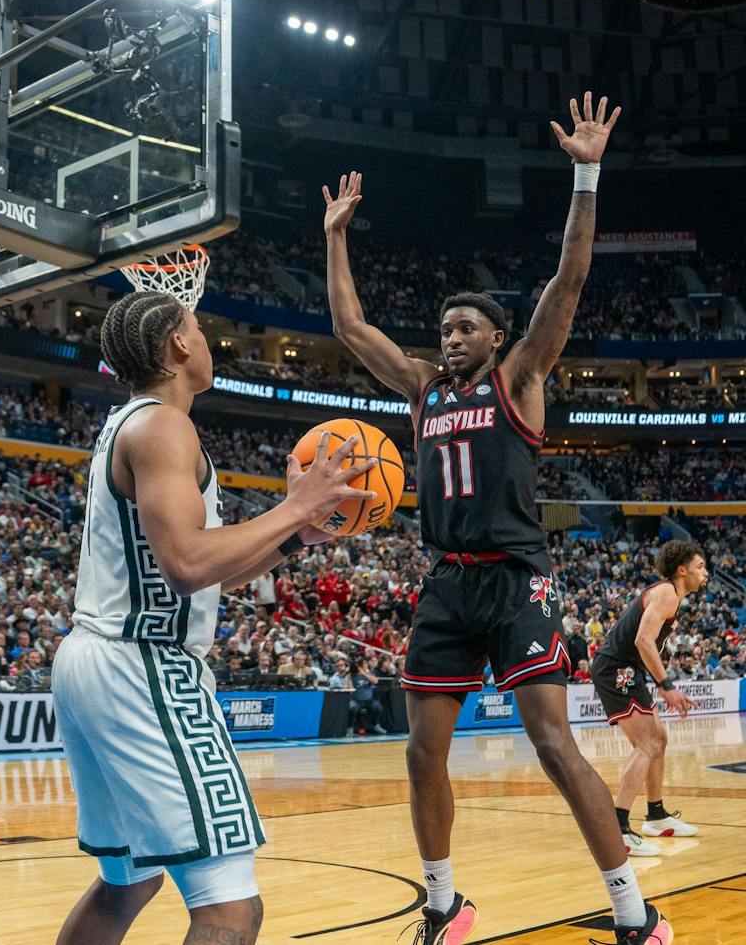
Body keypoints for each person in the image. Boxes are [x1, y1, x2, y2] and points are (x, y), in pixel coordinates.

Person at [324, 92, 671, 945]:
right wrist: (335, 235)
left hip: (518, 578)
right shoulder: (422, 389)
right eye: (443, 326)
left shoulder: (519, 377)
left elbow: (571, 276)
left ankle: (635, 911)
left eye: (465, 325)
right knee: (419, 752)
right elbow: (348, 324)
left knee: (554, 746)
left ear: (497, 336)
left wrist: (585, 173)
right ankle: (444, 904)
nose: (449, 335)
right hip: (447, 583)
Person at [51, 288, 375, 945]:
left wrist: (293, 537)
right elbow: (188, 563)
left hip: (98, 658)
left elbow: (209, 571)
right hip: (141, 664)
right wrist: (294, 505)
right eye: (198, 327)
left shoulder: (135, 423)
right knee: (230, 907)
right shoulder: (166, 425)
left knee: (130, 879)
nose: (206, 339)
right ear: (178, 344)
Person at [591, 542, 707, 857]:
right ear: (682, 569)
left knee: (659, 739)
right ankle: (618, 828)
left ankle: (656, 815)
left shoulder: (671, 597)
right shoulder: (668, 593)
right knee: (647, 744)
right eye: (700, 566)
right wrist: (667, 685)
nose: (705, 572)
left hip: (628, 669)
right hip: (617, 668)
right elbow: (643, 640)